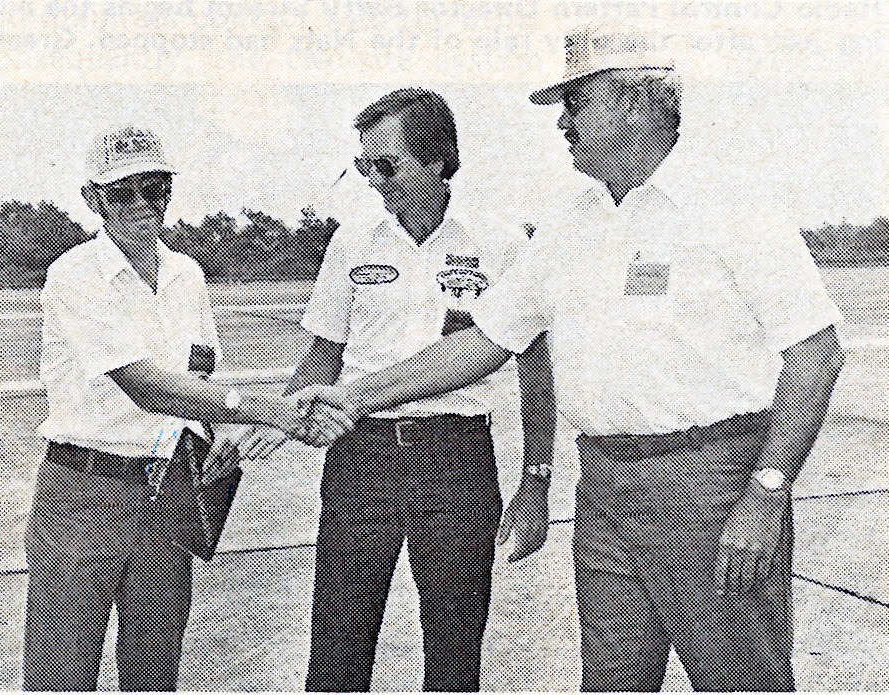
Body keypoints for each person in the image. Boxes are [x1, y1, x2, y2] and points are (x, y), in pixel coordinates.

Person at [296, 26, 845, 692]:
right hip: (604, 489)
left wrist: (765, 493)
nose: (561, 121)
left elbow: (815, 353)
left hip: (709, 484)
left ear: (632, 104)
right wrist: (355, 396)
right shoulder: (569, 224)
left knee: (739, 679)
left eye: (574, 102)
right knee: (610, 681)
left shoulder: (730, 205)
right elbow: (486, 339)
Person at [23, 125, 349, 691]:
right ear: (93, 200)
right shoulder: (73, 276)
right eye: (124, 193)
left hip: (172, 480)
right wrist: (273, 409)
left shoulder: (186, 273)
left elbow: (200, 365)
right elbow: (144, 385)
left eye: (155, 189)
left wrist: (218, 435)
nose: (143, 206)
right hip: (84, 481)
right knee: (62, 667)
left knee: (153, 665)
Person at [288, 88, 555, 692]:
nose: (373, 181)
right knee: (336, 646)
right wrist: (262, 427)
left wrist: (536, 476)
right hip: (362, 457)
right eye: (364, 166)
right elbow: (321, 358)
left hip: (456, 455)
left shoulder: (500, 244)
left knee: (456, 650)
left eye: (385, 165)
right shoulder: (352, 244)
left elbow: (535, 366)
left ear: (435, 162)